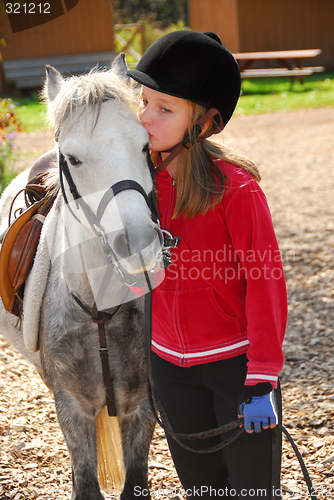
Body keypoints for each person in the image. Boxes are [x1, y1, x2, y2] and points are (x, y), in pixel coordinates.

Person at [127, 30, 287, 499]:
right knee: (203, 492)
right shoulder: (137, 187)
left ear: (204, 122)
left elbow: (266, 286)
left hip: (235, 369)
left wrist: (262, 378)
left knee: (253, 491)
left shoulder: (236, 191)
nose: (145, 118)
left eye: (164, 109)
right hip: (169, 369)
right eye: (144, 101)